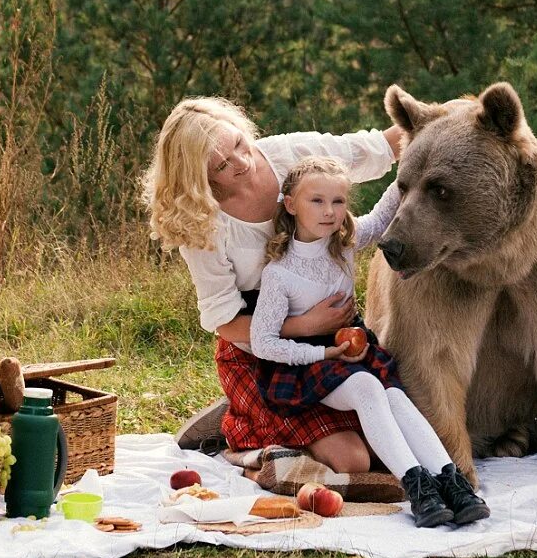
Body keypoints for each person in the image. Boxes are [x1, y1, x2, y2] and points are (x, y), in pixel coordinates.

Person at [142, 96, 403, 474]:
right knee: (354, 461)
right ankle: (244, 433)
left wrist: (449, 117)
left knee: (394, 438)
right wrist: (305, 326)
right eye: (222, 164)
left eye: (238, 143)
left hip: (332, 342)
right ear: (199, 176)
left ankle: (249, 417)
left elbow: (374, 147)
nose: (242, 162)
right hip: (261, 353)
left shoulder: (287, 154)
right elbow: (225, 321)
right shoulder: (202, 223)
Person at [248, 156, 490, 527]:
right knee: (365, 387)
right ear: (291, 204)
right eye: (317, 201)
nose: (330, 212)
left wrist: (416, 162)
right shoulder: (280, 273)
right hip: (309, 363)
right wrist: (324, 351)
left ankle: (451, 481)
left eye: (339, 202)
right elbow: (263, 342)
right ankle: (418, 489)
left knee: (395, 396)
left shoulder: (342, 245)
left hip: (354, 347)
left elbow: (379, 218)